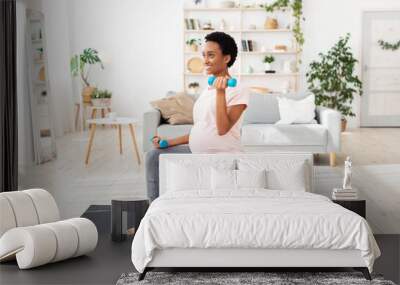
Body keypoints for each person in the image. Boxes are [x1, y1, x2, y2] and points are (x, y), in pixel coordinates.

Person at [145, 31, 249, 202]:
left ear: (226, 58)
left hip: (223, 157)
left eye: (211, 55)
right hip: (199, 153)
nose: (205, 60)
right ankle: (154, 210)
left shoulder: (238, 90)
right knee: (154, 155)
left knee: (154, 158)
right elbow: (202, 129)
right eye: (204, 55)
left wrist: (221, 92)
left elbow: (223, 129)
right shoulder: (207, 90)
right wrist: (168, 142)